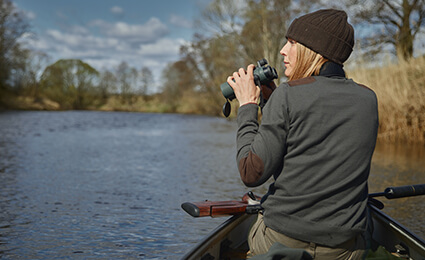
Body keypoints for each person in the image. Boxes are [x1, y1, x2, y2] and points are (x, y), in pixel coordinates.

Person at [226, 9, 379, 260]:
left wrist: (247, 107)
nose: (283, 50)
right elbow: (313, 124)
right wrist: (273, 101)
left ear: (314, 50)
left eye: (292, 43)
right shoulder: (368, 98)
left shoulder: (289, 96)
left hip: (281, 242)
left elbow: (251, 172)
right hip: (346, 250)